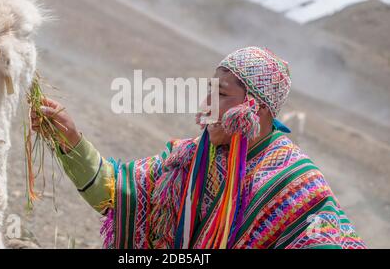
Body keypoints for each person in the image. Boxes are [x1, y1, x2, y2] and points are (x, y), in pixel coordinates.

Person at [32, 46, 366, 249]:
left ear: (257, 107)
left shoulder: (297, 184)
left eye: (220, 95)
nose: (206, 105)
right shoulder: (188, 159)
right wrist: (71, 139)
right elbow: (116, 192)